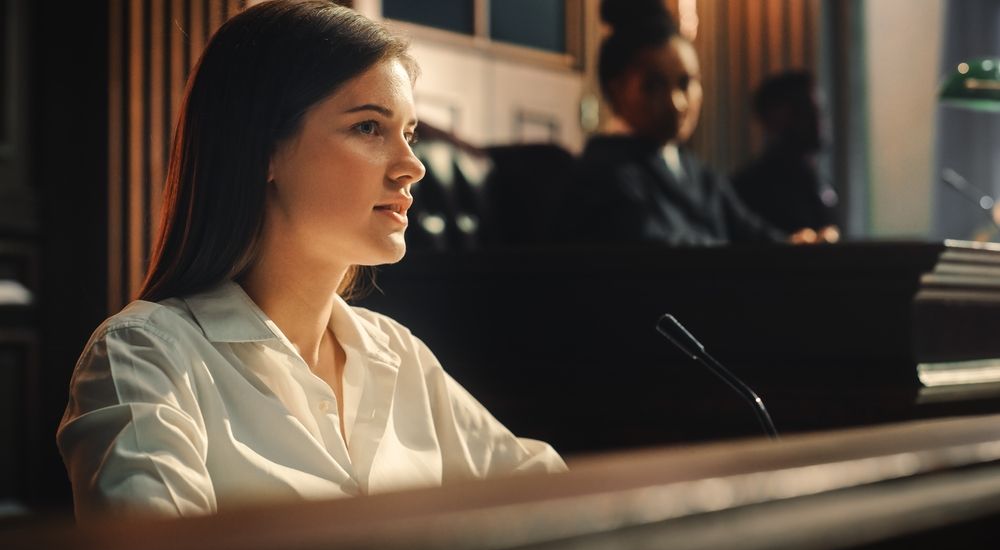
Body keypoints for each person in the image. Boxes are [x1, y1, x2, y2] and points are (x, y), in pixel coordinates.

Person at [56, 0, 565, 520]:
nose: (412, 165)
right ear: (264, 153)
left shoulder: (397, 355)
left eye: (409, 135)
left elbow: (553, 498)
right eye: (369, 127)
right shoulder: (143, 357)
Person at [567, 0, 814, 245]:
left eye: (686, 83)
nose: (678, 103)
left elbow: (753, 234)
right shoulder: (605, 174)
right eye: (653, 86)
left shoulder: (698, 173)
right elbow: (661, 250)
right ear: (617, 89)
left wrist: (797, 244)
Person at [732, 70, 840, 243]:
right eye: (806, 111)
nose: (819, 120)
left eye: (821, 110)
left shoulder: (821, 183)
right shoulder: (750, 189)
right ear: (773, 120)